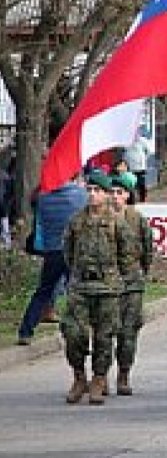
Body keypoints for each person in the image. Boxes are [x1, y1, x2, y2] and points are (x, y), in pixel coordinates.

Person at [60, 171, 134, 404]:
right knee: (73, 333)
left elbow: (127, 254)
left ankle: (99, 379)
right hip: (81, 287)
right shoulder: (76, 221)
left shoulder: (116, 222)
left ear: (105, 194)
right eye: (89, 190)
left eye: (97, 190)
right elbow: (68, 252)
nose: (92, 195)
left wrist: (118, 280)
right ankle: (79, 376)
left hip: (107, 288)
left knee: (104, 337)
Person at [17, 175, 88, 345]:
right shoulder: (79, 195)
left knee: (44, 290)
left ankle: (26, 330)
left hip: (52, 250)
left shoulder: (44, 198)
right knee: (76, 290)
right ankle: (77, 329)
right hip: (73, 249)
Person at [109, 172, 153, 396]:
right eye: (111, 192)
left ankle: (124, 373)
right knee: (104, 332)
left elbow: (147, 250)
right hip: (106, 284)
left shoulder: (137, 219)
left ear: (127, 195)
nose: (115, 197)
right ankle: (100, 375)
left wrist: (140, 273)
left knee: (128, 333)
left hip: (132, 283)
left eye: (119, 192)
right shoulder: (100, 218)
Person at [123, 133, 151, 202]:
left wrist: (143, 159)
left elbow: (149, 151)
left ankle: (143, 198)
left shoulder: (142, 140)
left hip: (140, 167)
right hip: (129, 166)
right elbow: (124, 151)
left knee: (141, 183)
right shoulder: (126, 141)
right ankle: (130, 199)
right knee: (130, 183)